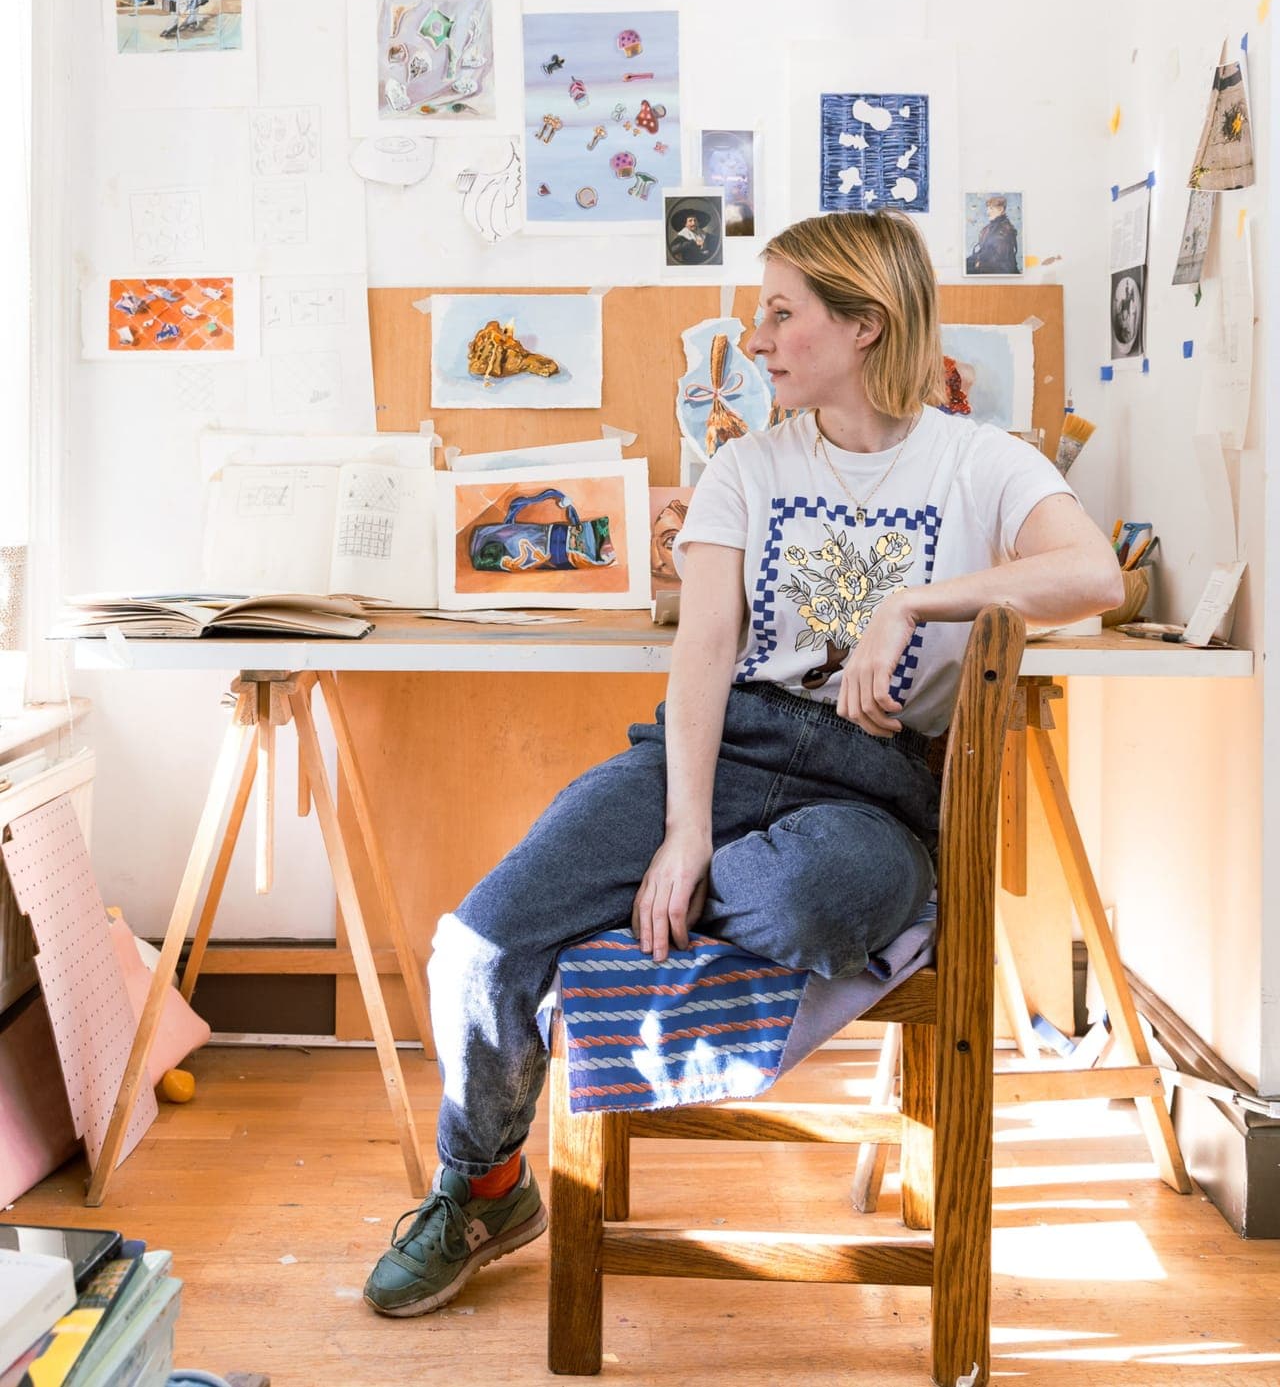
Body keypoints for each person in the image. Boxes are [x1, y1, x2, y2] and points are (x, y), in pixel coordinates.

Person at [362, 209, 1123, 1319]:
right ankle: (481, 1184)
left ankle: (626, 917)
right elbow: (704, 653)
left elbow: (1091, 571)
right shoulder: (743, 465)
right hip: (717, 758)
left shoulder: (979, 461)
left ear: (864, 324)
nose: (753, 335)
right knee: (480, 942)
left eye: (780, 312)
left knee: (818, 897)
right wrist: (678, 830)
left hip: (870, 788)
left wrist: (913, 598)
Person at [966, 194, 1020, 275]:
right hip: (988, 264)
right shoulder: (988, 228)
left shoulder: (1005, 230)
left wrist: (979, 263)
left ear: (1000, 209)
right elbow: (984, 251)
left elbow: (999, 258)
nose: (988, 212)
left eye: (991, 208)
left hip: (1001, 269)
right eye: (987, 208)